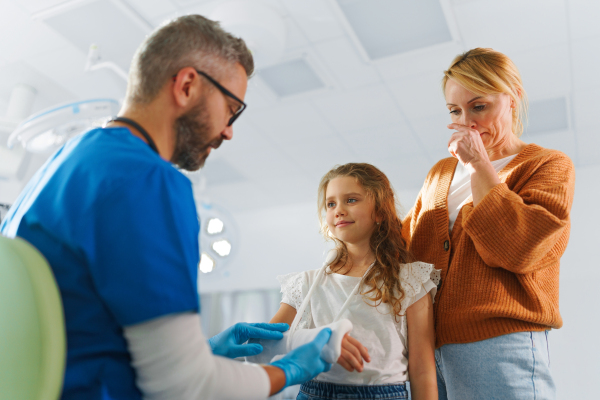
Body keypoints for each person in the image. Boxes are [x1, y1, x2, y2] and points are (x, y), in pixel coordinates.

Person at [0, 15, 342, 400]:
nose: (230, 130)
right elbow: (185, 387)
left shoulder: (64, 164)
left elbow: (75, 333)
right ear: (187, 85)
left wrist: (203, 352)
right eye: (231, 108)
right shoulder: (146, 179)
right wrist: (287, 371)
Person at [402, 48, 576, 400]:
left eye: (479, 107)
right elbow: (408, 253)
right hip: (427, 349)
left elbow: (519, 249)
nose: (467, 122)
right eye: (455, 111)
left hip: (498, 343)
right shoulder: (440, 173)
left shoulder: (547, 166)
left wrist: (480, 165)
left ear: (513, 99)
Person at [269, 163, 439, 400]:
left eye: (351, 200)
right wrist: (309, 340)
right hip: (313, 392)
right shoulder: (305, 283)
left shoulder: (410, 280)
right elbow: (265, 343)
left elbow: (422, 369)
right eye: (331, 204)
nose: (338, 210)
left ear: (380, 211)